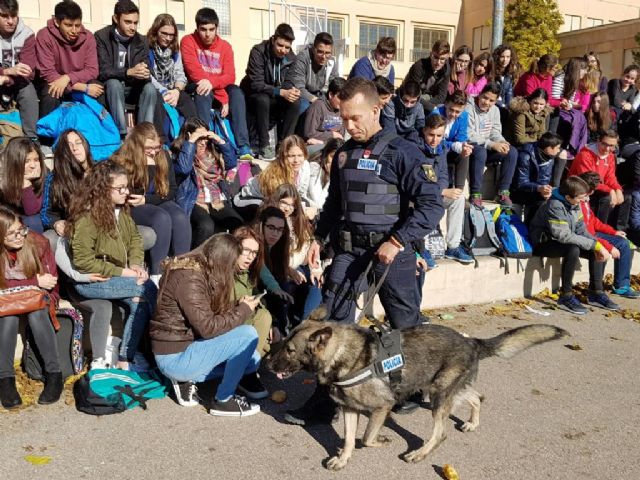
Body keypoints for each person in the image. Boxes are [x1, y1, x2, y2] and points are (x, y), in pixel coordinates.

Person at [150, 233, 264, 414]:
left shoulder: (201, 272)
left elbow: (204, 318)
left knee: (252, 360)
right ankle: (223, 400)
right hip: (175, 356)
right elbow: (208, 328)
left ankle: (187, 378)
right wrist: (242, 310)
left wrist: (236, 306)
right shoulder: (189, 278)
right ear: (222, 258)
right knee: (248, 335)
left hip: (188, 345)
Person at [68, 160, 157, 370]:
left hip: (117, 276)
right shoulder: (87, 218)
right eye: (120, 188)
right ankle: (160, 349)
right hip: (91, 281)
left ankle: (125, 358)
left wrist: (135, 264)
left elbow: (135, 239)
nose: (126, 192)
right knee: (148, 288)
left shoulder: (121, 212)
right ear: (102, 189)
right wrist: (124, 272)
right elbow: (83, 261)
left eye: (127, 186)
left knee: (140, 302)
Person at [111, 122, 191, 284]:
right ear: (137, 144)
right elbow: (123, 192)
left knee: (179, 216)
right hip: (131, 205)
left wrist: (148, 199)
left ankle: (182, 270)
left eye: (157, 147)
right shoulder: (122, 159)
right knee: (161, 218)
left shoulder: (163, 156)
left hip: (155, 200)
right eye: (149, 148)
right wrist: (141, 197)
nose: (154, 152)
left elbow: (172, 190)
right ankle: (157, 274)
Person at [0, 205, 63, 409]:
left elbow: (51, 282)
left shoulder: (37, 242)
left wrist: (38, 287)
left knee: (37, 314)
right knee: (7, 318)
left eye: (21, 230)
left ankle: (54, 374)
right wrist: (34, 281)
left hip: (40, 298)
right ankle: (5, 379)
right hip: (7, 302)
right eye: (12, 234)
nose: (20, 236)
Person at [529, 176, 618, 314]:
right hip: (544, 242)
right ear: (568, 197)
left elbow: (581, 230)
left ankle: (596, 291)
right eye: (582, 197)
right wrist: (596, 245)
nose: (585, 200)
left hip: (561, 240)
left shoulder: (575, 204)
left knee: (594, 250)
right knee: (573, 250)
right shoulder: (555, 205)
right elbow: (563, 235)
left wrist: (598, 245)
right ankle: (566, 296)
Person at [180, 7, 253, 159]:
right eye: (203, 29)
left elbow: (230, 76)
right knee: (203, 90)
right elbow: (194, 72)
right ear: (197, 28)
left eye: (211, 29)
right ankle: (204, 141)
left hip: (219, 87)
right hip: (197, 86)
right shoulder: (188, 41)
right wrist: (223, 98)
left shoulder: (225, 47)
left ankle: (243, 146)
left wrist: (221, 93)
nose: (207, 34)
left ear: (217, 28)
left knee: (237, 92)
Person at [171, 117, 242, 247]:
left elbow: (231, 163)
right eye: (200, 138)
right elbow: (184, 169)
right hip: (193, 198)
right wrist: (191, 142)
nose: (203, 142)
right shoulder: (179, 152)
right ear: (189, 135)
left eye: (205, 138)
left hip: (216, 199)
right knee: (206, 225)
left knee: (237, 223)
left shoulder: (213, 151)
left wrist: (220, 141)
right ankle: (196, 261)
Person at [95, 0, 156, 138]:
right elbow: (103, 71)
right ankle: (121, 134)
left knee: (150, 89)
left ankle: (144, 136)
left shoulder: (142, 40)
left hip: (133, 88)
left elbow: (147, 66)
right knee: (114, 83)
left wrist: (144, 71)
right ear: (116, 19)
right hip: (110, 90)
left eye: (135, 22)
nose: (133, 27)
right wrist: (128, 72)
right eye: (128, 22)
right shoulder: (102, 37)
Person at [240, 23, 300, 161]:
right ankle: (264, 145)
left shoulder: (292, 57)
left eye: (287, 47)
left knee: (296, 102)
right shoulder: (258, 51)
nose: (283, 50)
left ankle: (284, 146)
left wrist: (291, 91)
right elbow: (256, 84)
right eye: (280, 45)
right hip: (255, 95)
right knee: (263, 99)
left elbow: (289, 81)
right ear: (273, 40)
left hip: (275, 95)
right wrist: (281, 92)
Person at [263, 184, 320, 329]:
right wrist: (288, 270)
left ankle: (304, 326)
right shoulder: (269, 221)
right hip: (279, 269)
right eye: (284, 203)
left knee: (316, 288)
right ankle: (283, 327)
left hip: (301, 267)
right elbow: (269, 256)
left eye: (292, 205)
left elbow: (309, 249)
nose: (287, 208)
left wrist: (315, 268)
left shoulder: (299, 222)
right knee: (285, 287)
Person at [34, 0, 101, 118]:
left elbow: (92, 70)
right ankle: (47, 135)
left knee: (98, 90)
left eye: (78, 25)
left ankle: (97, 133)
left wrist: (68, 77)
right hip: (55, 83)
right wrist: (82, 88)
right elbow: (47, 73)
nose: (74, 31)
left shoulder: (88, 37)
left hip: (77, 81)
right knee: (51, 93)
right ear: (56, 22)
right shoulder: (44, 35)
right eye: (68, 25)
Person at [578, 171, 639, 299]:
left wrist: (614, 232)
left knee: (623, 242)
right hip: (585, 236)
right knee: (602, 248)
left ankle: (622, 286)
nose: (592, 194)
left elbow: (594, 221)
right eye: (591, 190)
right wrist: (609, 247)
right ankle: (596, 287)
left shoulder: (585, 200)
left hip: (592, 233)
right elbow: (583, 232)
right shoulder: (577, 200)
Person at [420, 114, 471, 264]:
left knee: (458, 198)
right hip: (418, 197)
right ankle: (421, 248)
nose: (434, 140)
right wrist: (440, 191)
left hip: (435, 193)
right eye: (431, 135)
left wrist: (441, 190)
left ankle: (453, 247)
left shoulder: (441, 147)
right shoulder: (414, 148)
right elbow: (416, 182)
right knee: (423, 202)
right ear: (424, 131)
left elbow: (442, 174)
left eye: (439, 136)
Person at [235, 135, 315, 220]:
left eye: (300, 155)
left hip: (281, 201)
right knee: (270, 212)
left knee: (309, 208)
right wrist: (301, 210)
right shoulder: (275, 175)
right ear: (283, 157)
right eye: (291, 156)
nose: (296, 160)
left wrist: (312, 208)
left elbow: (300, 194)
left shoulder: (305, 166)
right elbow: (277, 203)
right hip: (250, 199)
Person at [465, 82, 518, 207]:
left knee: (512, 152)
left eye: (491, 100)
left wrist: (501, 141)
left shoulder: (495, 110)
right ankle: (475, 193)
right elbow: (468, 134)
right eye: (485, 97)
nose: (486, 102)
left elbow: (495, 131)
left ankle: (503, 192)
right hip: (472, 147)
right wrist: (491, 144)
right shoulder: (469, 107)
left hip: (488, 146)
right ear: (480, 94)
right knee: (480, 151)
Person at [41, 129, 93, 244]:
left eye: (78, 143)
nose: (75, 148)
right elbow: (46, 213)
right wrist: (55, 223)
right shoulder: (55, 179)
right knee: (48, 238)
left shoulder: (101, 171)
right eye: (70, 145)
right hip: (73, 230)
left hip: (102, 226)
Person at [146, 13, 197, 130]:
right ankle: (161, 141)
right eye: (164, 33)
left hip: (172, 90)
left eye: (171, 35)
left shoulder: (175, 51)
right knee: (156, 100)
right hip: (155, 89)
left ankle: (194, 134)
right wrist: (164, 91)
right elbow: (147, 75)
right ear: (155, 31)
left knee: (187, 101)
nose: (168, 38)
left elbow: (180, 74)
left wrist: (177, 91)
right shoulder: (146, 48)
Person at [232, 226, 275, 359]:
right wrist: (237, 304)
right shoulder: (223, 272)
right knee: (264, 317)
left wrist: (271, 325)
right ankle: (247, 369)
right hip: (228, 328)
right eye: (246, 250)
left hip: (245, 322)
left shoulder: (247, 273)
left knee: (273, 342)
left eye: (254, 252)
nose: (250, 257)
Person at [568, 129, 624, 224]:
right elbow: (588, 180)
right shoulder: (585, 155)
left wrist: (617, 189)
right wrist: (610, 190)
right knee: (606, 198)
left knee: (626, 197)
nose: (607, 149)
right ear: (598, 141)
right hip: (580, 188)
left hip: (595, 188)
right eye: (604, 144)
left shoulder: (610, 156)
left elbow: (610, 177)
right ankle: (598, 230)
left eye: (611, 146)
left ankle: (617, 230)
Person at [0, 0, 38, 140]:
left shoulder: (27, 34)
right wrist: (6, 73)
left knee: (28, 90)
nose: (10, 21)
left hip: (18, 81)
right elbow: (14, 70)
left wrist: (10, 76)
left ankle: (32, 139)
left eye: (14, 16)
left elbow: (28, 70)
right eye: (4, 16)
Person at [511, 132, 564, 223]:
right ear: (548, 148)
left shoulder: (549, 156)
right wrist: (539, 188)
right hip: (520, 193)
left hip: (536, 192)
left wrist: (546, 192)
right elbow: (520, 183)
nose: (559, 151)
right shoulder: (525, 156)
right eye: (557, 148)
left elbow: (544, 179)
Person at [283, 31, 338, 115]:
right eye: (320, 52)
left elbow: (335, 86)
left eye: (327, 53)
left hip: (320, 95)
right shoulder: (302, 58)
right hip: (299, 95)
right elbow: (299, 88)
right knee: (305, 106)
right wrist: (319, 102)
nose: (323, 57)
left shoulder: (332, 61)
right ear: (313, 49)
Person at [0, 136, 46, 232]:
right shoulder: (4, 179)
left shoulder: (45, 177)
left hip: (31, 221)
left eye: (36, 160)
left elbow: (32, 210)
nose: (33, 165)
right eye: (27, 161)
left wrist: (26, 184)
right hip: (9, 220)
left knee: (33, 221)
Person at [431, 91, 472, 191]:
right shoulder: (436, 114)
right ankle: (441, 190)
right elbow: (436, 140)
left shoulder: (464, 116)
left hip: (450, 149)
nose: (453, 114)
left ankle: (459, 191)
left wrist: (463, 147)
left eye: (457, 112)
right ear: (446, 104)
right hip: (436, 149)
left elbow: (461, 137)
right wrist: (453, 145)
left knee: (464, 154)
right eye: (451, 109)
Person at [405, 39, 451, 114]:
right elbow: (412, 93)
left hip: (429, 99)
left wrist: (428, 105)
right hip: (409, 97)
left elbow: (441, 96)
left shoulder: (446, 70)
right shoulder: (419, 66)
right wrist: (429, 106)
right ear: (430, 54)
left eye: (442, 59)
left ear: (447, 58)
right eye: (435, 57)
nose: (438, 62)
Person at [304, 76, 345, 149]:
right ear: (331, 95)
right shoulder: (317, 106)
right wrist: (331, 135)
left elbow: (341, 135)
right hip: (315, 146)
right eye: (340, 97)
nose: (343, 101)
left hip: (333, 146)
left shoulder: (341, 109)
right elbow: (309, 134)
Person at [381, 80, 425, 144]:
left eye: (412, 102)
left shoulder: (419, 107)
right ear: (401, 96)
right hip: (393, 138)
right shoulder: (390, 104)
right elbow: (389, 130)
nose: (408, 105)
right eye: (406, 100)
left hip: (411, 138)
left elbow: (420, 130)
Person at [308, 138, 343, 210]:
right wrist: (332, 177)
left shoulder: (342, 169)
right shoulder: (314, 167)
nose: (335, 162)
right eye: (332, 157)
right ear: (326, 154)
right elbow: (319, 203)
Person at [492, 44, 518, 111]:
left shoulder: (509, 74)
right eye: (502, 56)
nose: (505, 60)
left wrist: (509, 108)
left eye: (508, 57)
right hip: (492, 105)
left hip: (503, 108)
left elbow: (509, 93)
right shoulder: (492, 72)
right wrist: (502, 106)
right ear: (497, 57)